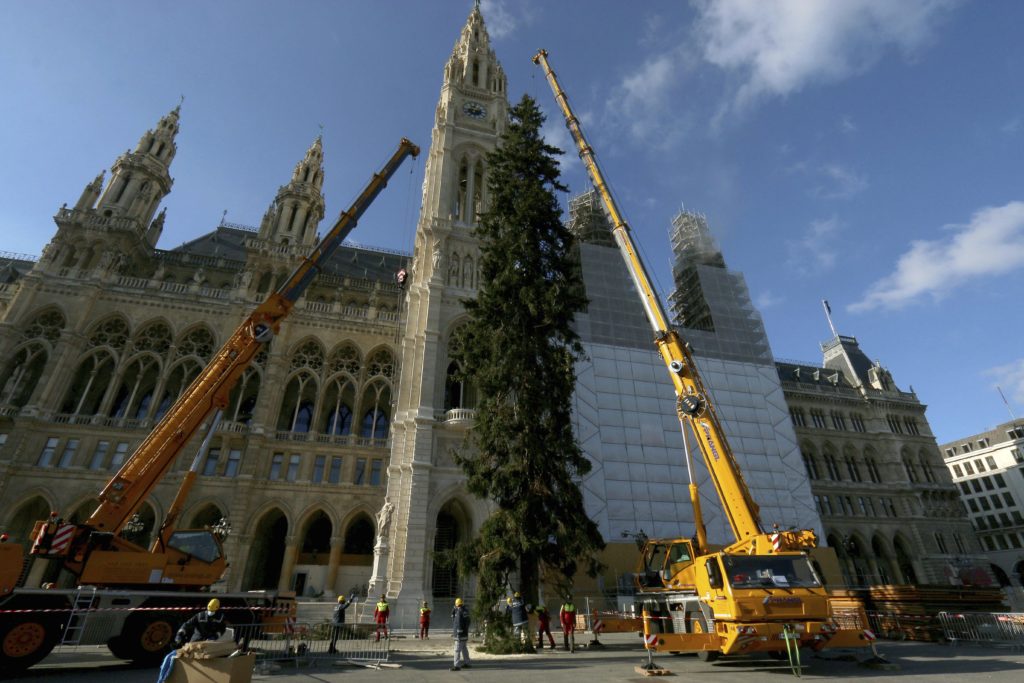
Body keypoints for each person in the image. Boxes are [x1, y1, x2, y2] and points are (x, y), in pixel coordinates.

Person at [156, 598, 227, 683]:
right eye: (209, 611)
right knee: (169, 657)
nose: (210, 613)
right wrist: (180, 635)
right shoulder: (200, 616)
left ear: (217, 608)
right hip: (194, 644)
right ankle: (161, 681)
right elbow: (187, 625)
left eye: (212, 611)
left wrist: (215, 636)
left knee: (173, 658)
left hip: (208, 645)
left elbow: (222, 629)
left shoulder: (220, 618)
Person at [451, 597, 472, 671]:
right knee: (464, 649)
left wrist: (459, 633)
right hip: (464, 634)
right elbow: (468, 621)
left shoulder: (459, 612)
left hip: (459, 635)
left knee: (457, 650)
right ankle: (467, 662)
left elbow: (458, 623)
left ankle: (456, 665)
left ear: (456, 604)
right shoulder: (465, 611)